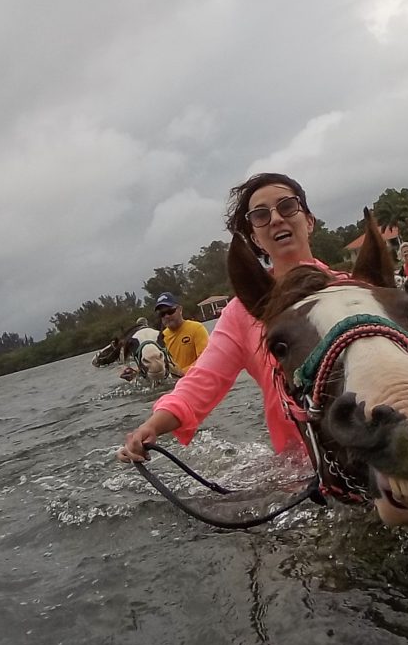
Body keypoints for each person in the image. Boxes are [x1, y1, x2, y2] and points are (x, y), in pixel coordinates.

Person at [118, 172, 326, 463]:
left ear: (309, 220)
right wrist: (151, 426)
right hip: (299, 469)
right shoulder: (242, 313)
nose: (277, 218)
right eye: (261, 215)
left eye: (288, 207)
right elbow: (201, 382)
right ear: (255, 237)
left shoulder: (356, 292)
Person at [153, 293, 209, 375]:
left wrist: (181, 373)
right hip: (174, 384)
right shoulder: (160, 338)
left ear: (180, 309)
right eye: (162, 314)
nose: (167, 316)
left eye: (170, 311)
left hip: (194, 380)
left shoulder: (196, 329)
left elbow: (206, 359)